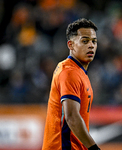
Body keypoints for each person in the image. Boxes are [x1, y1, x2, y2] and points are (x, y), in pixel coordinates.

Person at [42, 18, 100, 150]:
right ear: (71, 45)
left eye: (94, 41)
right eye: (85, 41)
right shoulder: (69, 72)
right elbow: (72, 116)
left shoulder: (77, 71)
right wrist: (94, 148)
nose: (91, 45)